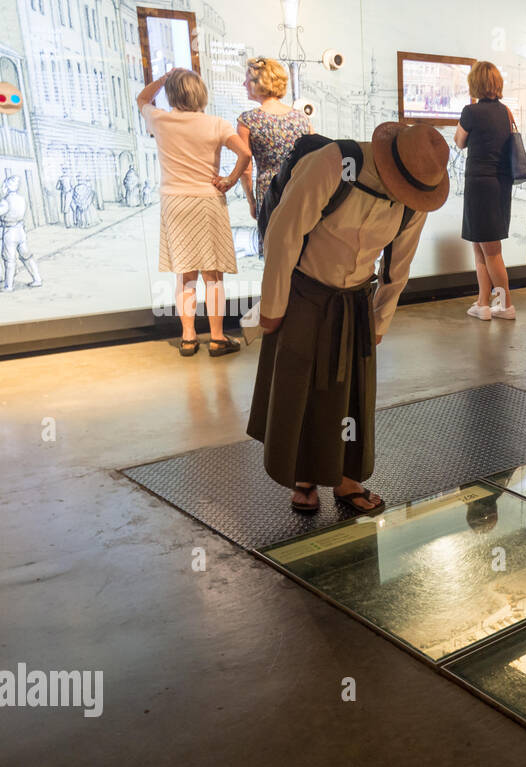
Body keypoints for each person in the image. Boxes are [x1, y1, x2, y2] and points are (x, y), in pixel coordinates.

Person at [246, 122, 446, 515]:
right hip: (304, 292)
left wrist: (379, 321)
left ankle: (346, 476)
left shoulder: (415, 196)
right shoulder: (335, 163)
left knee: (351, 394)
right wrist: (273, 305)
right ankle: (304, 474)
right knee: (302, 384)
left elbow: (398, 267)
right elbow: (284, 233)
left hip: (355, 301)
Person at [137, 68, 251, 358]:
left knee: (185, 275)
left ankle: (188, 338)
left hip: (175, 203)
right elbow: (245, 154)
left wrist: (163, 79)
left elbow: (142, 99)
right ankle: (217, 338)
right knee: (213, 276)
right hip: (207, 202)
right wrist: (230, 180)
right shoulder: (216, 124)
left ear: (172, 94)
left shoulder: (160, 119)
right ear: (201, 93)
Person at [455, 61, 516, 319]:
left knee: (490, 250)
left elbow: (459, 142)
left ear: (475, 84)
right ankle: (483, 303)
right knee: (481, 247)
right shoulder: (506, 112)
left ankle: (505, 305)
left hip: (479, 185)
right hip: (500, 185)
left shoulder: (470, 112)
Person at [237, 57, 312, 227]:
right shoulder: (301, 118)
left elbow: (245, 167)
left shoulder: (248, 120)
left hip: (269, 193)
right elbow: (314, 157)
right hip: (299, 192)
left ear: (258, 83)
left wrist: (251, 201)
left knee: (272, 241)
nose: (244, 84)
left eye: (247, 80)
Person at [0, 175, 42, 291]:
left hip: (10, 231)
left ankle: (8, 286)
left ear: (7, 186)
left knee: (9, 259)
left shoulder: (5, 201)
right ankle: (37, 279)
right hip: (20, 230)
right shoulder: (21, 199)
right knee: (26, 256)